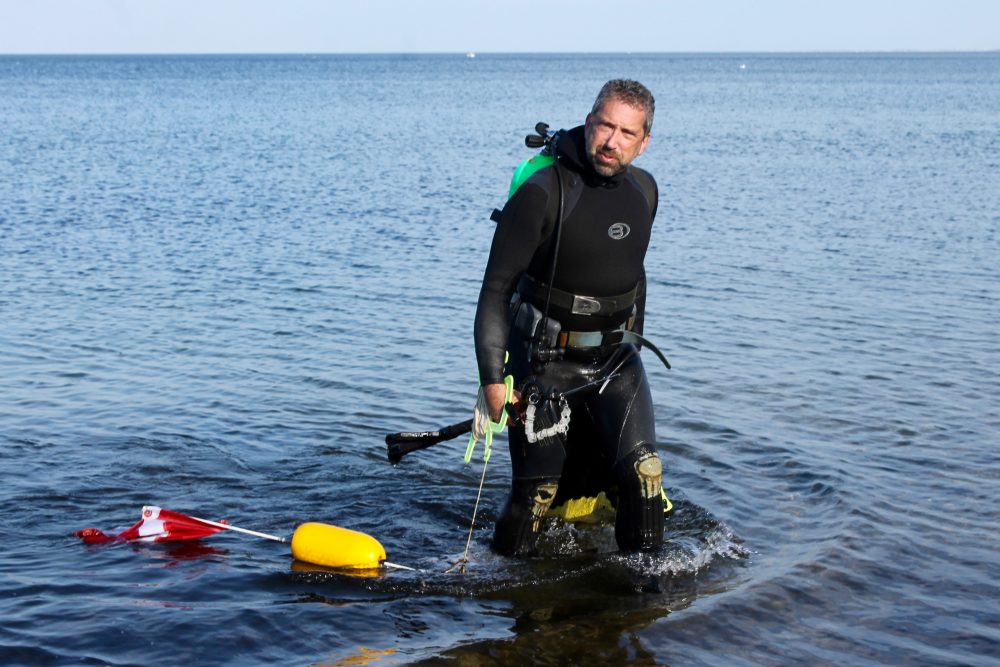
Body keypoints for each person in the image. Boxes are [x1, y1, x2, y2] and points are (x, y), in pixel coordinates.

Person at [473, 79, 665, 557]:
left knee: (644, 477)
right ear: (588, 122)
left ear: (644, 142)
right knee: (536, 496)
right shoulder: (544, 191)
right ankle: (507, 584)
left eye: (626, 132)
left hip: (616, 362)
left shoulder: (644, 191)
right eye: (604, 126)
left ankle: (645, 599)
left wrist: (633, 342)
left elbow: (634, 277)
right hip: (545, 364)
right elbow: (496, 289)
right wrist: (494, 380)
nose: (612, 141)